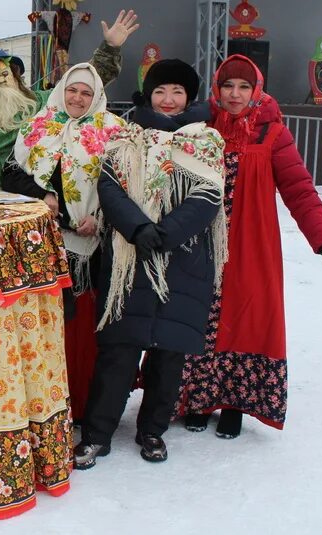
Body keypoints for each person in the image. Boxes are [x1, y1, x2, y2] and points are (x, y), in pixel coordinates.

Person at [177, 54, 322, 438]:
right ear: (216, 89)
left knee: (247, 317)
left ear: (256, 91)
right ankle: (198, 398)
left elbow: (298, 187)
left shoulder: (272, 134)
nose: (235, 95)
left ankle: (236, 403)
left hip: (251, 243)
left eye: (243, 87)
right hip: (200, 242)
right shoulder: (199, 128)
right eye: (227, 86)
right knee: (198, 317)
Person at [74, 59, 228, 468]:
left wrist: (168, 233)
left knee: (169, 354)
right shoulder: (127, 136)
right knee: (118, 352)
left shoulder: (208, 141)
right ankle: (96, 434)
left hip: (185, 258)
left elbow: (209, 196)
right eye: (160, 91)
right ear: (149, 95)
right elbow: (109, 185)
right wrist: (139, 229)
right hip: (129, 255)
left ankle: (152, 431)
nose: (168, 99)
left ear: (189, 97)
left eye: (177, 91)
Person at [1, 63, 125, 421]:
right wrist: (41, 194)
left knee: (78, 329)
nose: (77, 98)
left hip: (87, 245)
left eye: (86, 93)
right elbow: (12, 175)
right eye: (72, 90)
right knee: (41, 325)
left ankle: (79, 406)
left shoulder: (114, 132)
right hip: (39, 243)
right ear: (61, 91)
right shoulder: (37, 126)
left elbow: (124, 185)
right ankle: (40, 406)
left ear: (97, 97)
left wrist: (100, 218)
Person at [0, 10, 139, 189]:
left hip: (35, 202)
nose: (0, 81)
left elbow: (82, 82)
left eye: (5, 74)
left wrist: (110, 47)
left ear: (16, 79)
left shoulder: (42, 104)